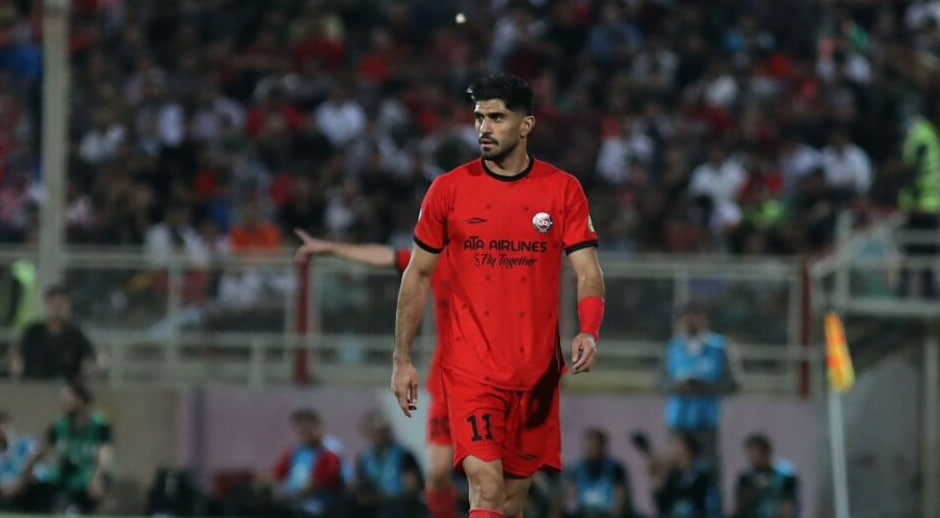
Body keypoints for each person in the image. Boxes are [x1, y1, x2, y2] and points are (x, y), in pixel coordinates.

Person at [391, 73, 606, 518]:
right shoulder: (448, 190)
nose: (484, 128)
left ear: (526, 125)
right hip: (471, 369)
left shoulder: (562, 189)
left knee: (510, 501)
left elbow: (587, 271)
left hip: (536, 373)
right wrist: (402, 357)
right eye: (478, 117)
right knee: (485, 489)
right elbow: (417, 274)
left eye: (497, 117)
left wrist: (589, 330)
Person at [293, 231, 457, 518]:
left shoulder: (499, 262)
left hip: (495, 379)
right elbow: (386, 255)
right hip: (448, 380)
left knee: (495, 478)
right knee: (438, 471)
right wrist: (332, 248)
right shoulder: (439, 261)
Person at [660, 304, 739, 470]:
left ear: (705, 319)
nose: (692, 321)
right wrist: (679, 387)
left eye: (696, 316)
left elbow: (733, 384)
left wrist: (704, 387)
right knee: (675, 469)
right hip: (678, 421)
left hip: (706, 422)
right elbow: (661, 383)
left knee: (708, 470)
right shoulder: (673, 348)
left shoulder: (719, 348)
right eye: (688, 317)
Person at [21, 382, 114, 514]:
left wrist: (97, 478)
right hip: (65, 472)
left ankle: (74, 507)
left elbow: (104, 454)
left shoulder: (99, 424)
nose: (64, 404)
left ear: (80, 401)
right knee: (40, 487)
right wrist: (28, 469)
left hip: (88, 473)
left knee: (92, 485)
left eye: (68, 400)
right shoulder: (59, 424)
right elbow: (42, 449)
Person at [10, 285, 104, 381]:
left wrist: (94, 367)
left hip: (66, 386)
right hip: (34, 384)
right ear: (47, 306)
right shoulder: (33, 332)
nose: (57, 309)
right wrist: (16, 366)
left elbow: (92, 358)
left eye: (61, 305)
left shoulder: (75, 335)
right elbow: (17, 355)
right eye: (54, 305)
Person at [267, 408, 344, 517]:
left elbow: (322, 482)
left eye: (308, 428)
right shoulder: (295, 451)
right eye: (300, 429)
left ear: (318, 427)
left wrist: (294, 495)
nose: (304, 432)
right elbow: (277, 474)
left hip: (320, 498)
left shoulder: (329, 450)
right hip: (294, 497)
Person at [352, 411, 423, 518]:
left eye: (380, 432)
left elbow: (411, 488)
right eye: (373, 432)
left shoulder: (404, 455)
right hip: (375, 507)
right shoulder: (364, 459)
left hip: (398, 505)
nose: (377, 436)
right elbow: (362, 492)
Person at [564, 429, 633, 518]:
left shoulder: (615, 468)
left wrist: (617, 512)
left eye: (597, 446)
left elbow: (620, 495)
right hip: (583, 512)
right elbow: (570, 495)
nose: (594, 450)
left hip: (607, 513)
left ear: (604, 447)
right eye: (591, 446)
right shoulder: (576, 469)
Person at [650, 432, 720, 518]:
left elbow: (711, 504)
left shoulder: (703, 475)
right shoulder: (671, 477)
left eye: (677, 445)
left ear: (687, 449)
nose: (674, 450)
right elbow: (662, 507)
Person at [732, 434, 799, 518]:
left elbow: (789, 502)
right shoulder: (746, 477)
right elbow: (740, 505)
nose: (754, 458)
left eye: (757, 454)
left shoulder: (785, 475)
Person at [0, 410, 47, 512]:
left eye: (3, 425)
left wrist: (20, 481)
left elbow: (39, 472)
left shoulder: (24, 444)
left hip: (26, 490)